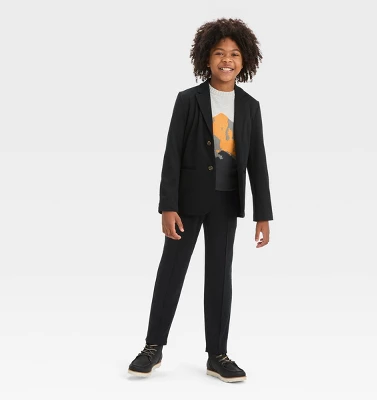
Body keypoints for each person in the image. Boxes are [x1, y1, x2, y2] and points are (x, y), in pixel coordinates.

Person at [128, 17, 273, 383]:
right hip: (187, 202)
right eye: (219, 53)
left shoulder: (250, 106)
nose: (227, 60)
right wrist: (168, 205)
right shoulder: (188, 100)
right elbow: (172, 154)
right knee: (171, 271)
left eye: (235, 54)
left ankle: (217, 354)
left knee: (220, 278)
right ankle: (153, 346)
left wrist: (263, 214)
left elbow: (258, 162)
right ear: (206, 58)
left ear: (245, 60)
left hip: (227, 203)